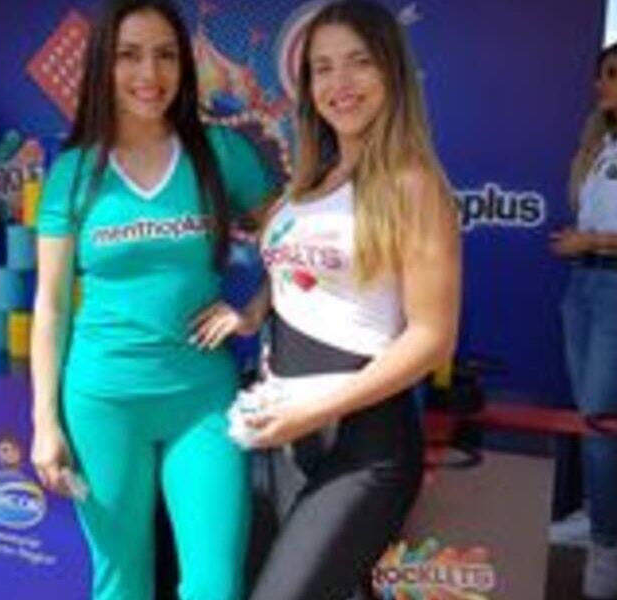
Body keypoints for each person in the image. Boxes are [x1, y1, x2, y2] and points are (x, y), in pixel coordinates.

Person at [194, 2, 460, 598]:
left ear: (391, 71)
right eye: (323, 68)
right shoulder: (309, 184)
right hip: (290, 430)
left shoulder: (413, 184)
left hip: (362, 442)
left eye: (359, 62)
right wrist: (251, 312)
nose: (340, 83)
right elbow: (293, 271)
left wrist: (314, 412)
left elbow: (431, 337)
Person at [29, 1, 273, 599]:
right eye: (130, 55)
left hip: (203, 400)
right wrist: (44, 422)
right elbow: (51, 307)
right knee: (121, 584)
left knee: (215, 585)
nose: (150, 73)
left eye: (165, 55)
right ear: (103, 67)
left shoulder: (221, 152)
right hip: (102, 403)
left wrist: (253, 311)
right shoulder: (74, 172)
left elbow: (295, 245)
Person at [551, 40, 617, 600]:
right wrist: (582, 245)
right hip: (584, 284)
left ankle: (606, 548)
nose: (601, 84)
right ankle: (603, 516)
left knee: (601, 420)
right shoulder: (604, 144)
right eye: (602, 74)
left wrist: (593, 241)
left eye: (613, 73)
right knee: (591, 417)